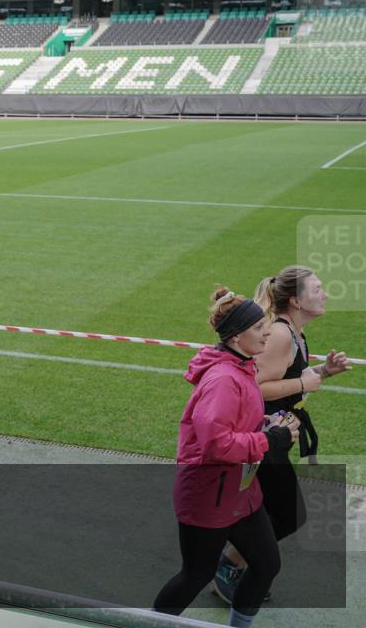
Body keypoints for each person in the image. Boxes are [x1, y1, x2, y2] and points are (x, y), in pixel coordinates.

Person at [152, 287, 300, 628]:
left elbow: (234, 423)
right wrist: (267, 439)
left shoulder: (242, 365)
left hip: (239, 491)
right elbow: (216, 444)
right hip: (208, 496)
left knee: (266, 564)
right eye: (259, 328)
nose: (268, 332)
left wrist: (262, 424)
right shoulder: (222, 379)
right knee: (195, 575)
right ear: (235, 337)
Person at [213, 266, 354, 602]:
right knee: (288, 515)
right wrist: (305, 382)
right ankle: (226, 565)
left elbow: (286, 375)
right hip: (262, 439)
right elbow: (255, 387)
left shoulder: (294, 332)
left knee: (265, 510)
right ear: (295, 300)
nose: (326, 294)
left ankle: (231, 562)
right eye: (318, 289)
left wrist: (322, 371)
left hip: (275, 438)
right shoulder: (280, 333)